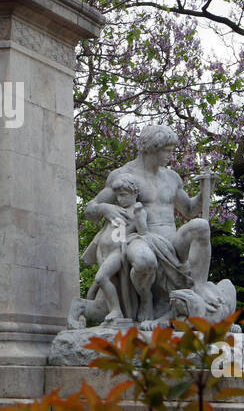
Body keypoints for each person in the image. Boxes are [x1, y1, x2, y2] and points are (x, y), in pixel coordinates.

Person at [84, 125, 211, 323]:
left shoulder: (171, 177)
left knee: (201, 226)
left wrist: (204, 193)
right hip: (140, 236)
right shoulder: (124, 175)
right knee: (144, 261)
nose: (171, 155)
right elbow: (90, 209)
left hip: (171, 238)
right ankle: (146, 299)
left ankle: (199, 287)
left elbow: (188, 209)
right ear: (153, 148)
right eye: (167, 151)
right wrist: (105, 209)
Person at [81, 173, 148, 322]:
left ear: (135, 193)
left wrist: (138, 214)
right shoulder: (114, 209)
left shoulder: (137, 210)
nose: (120, 199)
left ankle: (116, 310)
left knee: (101, 277)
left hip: (118, 252)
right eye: (117, 196)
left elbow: (143, 231)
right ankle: (108, 310)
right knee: (94, 288)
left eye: (123, 195)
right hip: (104, 252)